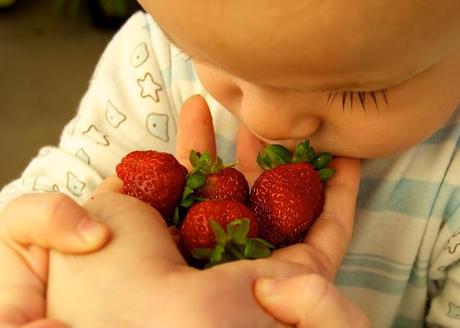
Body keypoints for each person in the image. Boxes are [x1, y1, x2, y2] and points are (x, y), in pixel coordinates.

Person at [0, 0, 459, 325]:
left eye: (359, 93)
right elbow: (63, 189)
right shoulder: (152, 62)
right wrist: (40, 266)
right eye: (196, 53)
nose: (265, 120)